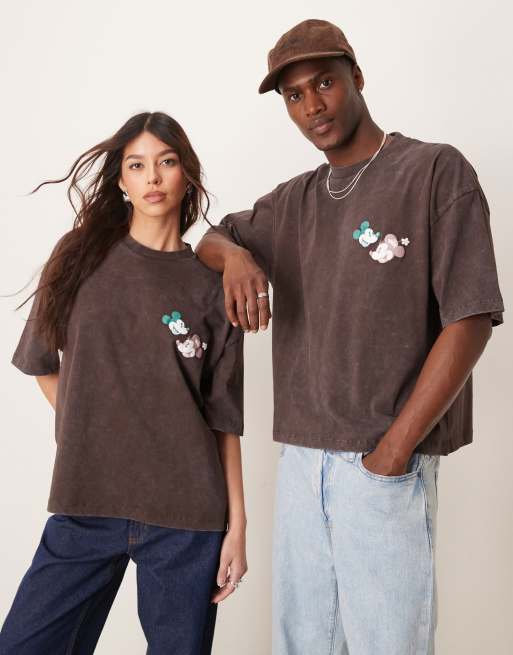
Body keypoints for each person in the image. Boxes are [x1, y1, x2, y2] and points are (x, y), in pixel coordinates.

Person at [195, 19, 505, 655]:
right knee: (301, 646)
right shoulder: (294, 201)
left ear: (357, 76)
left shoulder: (433, 170)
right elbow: (211, 238)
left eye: (325, 83)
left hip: (383, 465)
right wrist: (239, 259)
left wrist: (392, 452)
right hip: (301, 464)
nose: (312, 105)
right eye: (294, 95)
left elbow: (471, 317)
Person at [0, 111, 247, 655]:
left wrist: (238, 526)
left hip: (188, 516)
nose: (152, 177)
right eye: (137, 165)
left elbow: (224, 419)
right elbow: (40, 361)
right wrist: (93, 428)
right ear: (121, 182)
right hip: (87, 502)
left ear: (187, 174)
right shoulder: (79, 258)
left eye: (166, 162)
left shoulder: (211, 287)